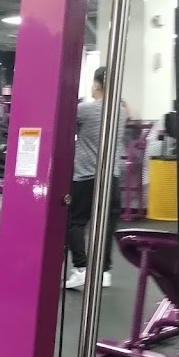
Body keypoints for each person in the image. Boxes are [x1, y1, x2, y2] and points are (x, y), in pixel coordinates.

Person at [65, 66, 125, 290]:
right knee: (106, 226)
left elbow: (64, 127)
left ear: (97, 85)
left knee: (75, 222)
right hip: (112, 178)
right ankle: (104, 272)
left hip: (86, 177)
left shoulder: (85, 110)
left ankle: (81, 269)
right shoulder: (121, 111)